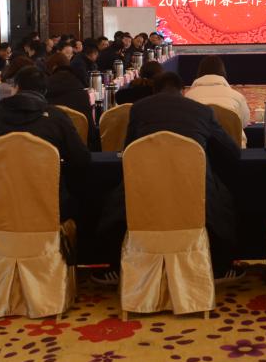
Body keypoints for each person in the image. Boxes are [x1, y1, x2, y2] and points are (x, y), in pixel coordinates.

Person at [113, 71, 242, 280]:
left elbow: (129, 151)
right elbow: (232, 152)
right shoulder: (202, 111)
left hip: (147, 189)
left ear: (154, 91)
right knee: (222, 198)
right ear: (183, 91)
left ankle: (116, 267)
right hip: (193, 190)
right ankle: (219, 267)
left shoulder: (139, 109)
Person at [0, 66, 91, 220]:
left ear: (16, 88)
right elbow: (82, 159)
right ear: (45, 91)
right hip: (49, 210)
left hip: (0, 210)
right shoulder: (56, 118)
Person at [185, 55, 250, 131]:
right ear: (223, 72)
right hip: (229, 138)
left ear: (199, 73)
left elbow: (185, 124)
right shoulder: (237, 96)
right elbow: (244, 123)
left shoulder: (188, 97)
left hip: (199, 138)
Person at [45, 52, 91, 118]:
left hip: (56, 123)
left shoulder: (46, 86)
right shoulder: (78, 83)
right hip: (80, 124)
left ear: (54, 67)